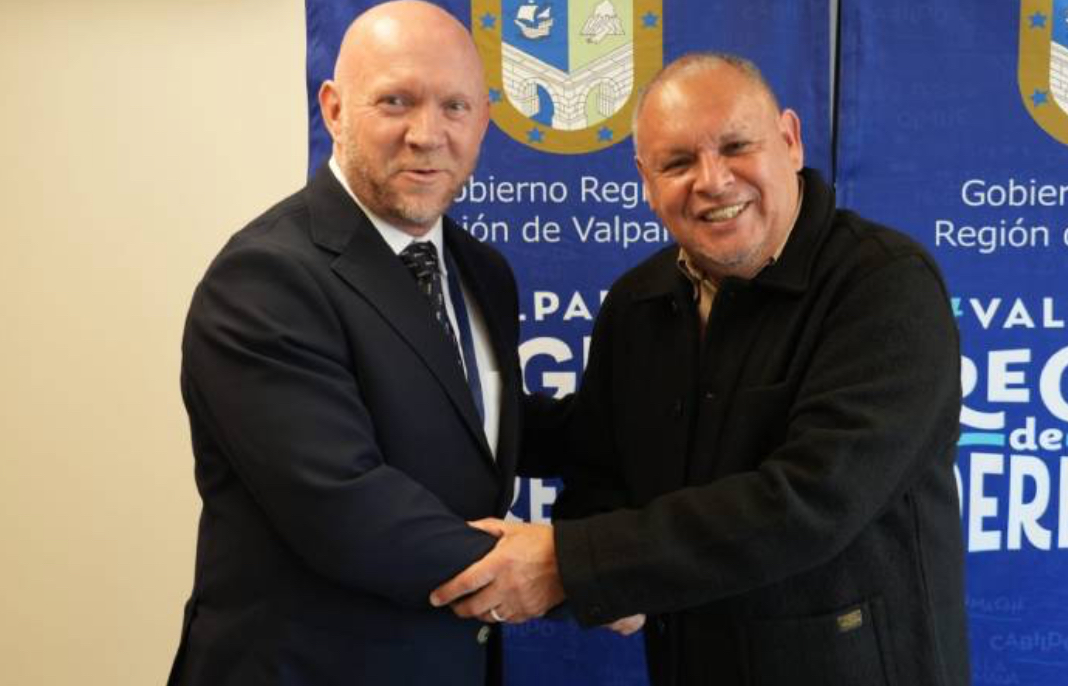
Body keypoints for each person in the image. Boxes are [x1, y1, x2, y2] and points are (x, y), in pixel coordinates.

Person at [431, 53, 971, 686]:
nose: (713, 181)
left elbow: (814, 500)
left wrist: (575, 564)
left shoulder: (884, 284)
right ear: (646, 179)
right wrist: (443, 411)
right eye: (678, 162)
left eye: (737, 147)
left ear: (790, 140)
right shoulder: (638, 301)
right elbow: (605, 456)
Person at [167, 3, 526, 684]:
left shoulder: (483, 272)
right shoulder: (265, 276)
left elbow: (463, 430)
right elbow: (345, 508)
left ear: (483, 119)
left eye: (455, 106)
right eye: (396, 101)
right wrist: (568, 574)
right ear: (333, 108)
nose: (428, 135)